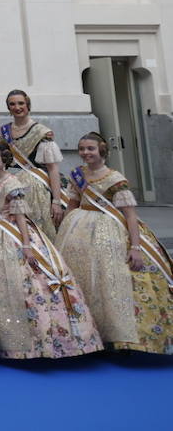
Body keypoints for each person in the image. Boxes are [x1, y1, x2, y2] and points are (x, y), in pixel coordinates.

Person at [0, 142, 102, 359]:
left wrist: (27, 245)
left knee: (25, 284)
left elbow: (20, 216)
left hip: (11, 236)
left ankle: (37, 341)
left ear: (4, 160)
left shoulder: (13, 183)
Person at [57, 132, 173, 354]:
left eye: (90, 148)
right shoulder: (77, 174)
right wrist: (63, 230)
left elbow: (129, 215)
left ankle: (114, 334)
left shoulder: (115, 178)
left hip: (108, 232)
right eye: (81, 149)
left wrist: (135, 247)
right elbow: (73, 203)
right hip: (77, 229)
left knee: (108, 278)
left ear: (101, 150)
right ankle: (85, 331)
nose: (85, 153)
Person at [0, 89, 65, 239]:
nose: (17, 107)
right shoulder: (3, 132)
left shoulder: (42, 132)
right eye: (12, 104)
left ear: (28, 105)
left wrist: (56, 201)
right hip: (11, 185)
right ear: (8, 108)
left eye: (21, 103)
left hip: (37, 187)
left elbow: (53, 168)